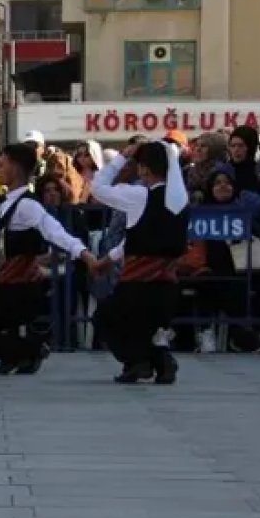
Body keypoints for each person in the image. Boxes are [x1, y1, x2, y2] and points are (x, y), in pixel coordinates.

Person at [0, 143, 99, 375]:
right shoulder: (8, 205)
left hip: (22, 290)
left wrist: (86, 255)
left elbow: (56, 232)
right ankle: (17, 355)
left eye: (1, 164)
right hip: (8, 287)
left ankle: (28, 350)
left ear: (15, 167)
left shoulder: (28, 206)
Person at [90, 141, 191, 384]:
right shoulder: (180, 199)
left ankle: (138, 362)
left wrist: (121, 157)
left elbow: (98, 188)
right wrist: (110, 258)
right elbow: (139, 235)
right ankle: (161, 361)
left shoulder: (139, 195)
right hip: (167, 284)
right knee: (147, 327)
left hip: (138, 282)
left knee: (105, 318)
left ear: (144, 168)